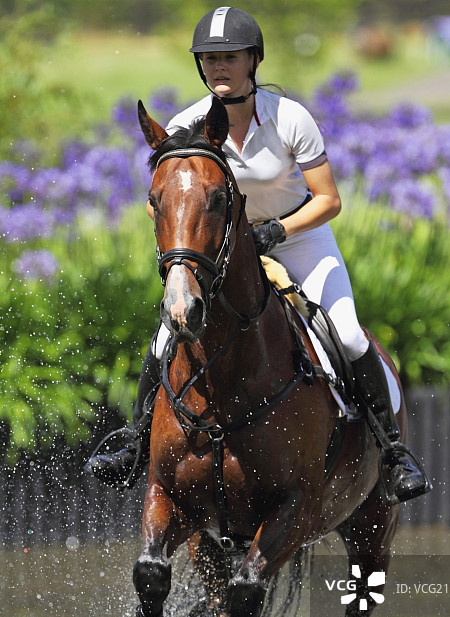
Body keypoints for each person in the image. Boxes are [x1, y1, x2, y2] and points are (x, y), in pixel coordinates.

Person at [85, 6, 428, 503]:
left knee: (350, 336)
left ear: (253, 60)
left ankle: (393, 452)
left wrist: (273, 232)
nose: (218, 67)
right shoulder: (186, 126)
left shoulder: (291, 119)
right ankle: (136, 442)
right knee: (166, 338)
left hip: (301, 237)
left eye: (229, 57)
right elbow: (163, 199)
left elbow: (329, 200)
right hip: (228, 255)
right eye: (209, 59)